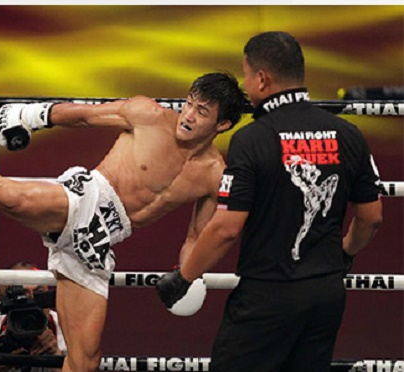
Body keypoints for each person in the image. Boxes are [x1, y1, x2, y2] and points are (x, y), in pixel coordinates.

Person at [0, 72, 247, 371]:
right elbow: (83, 114)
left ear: (223, 124)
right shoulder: (148, 115)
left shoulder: (213, 174)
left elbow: (195, 237)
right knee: (10, 196)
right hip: (88, 198)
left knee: (85, 361)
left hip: (101, 240)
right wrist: (26, 116)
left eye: (202, 111)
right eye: (189, 102)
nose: (189, 114)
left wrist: (186, 277)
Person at [156, 31, 383, 371]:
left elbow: (227, 229)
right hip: (326, 294)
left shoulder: (253, 139)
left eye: (246, 75)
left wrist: (183, 277)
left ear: (262, 78)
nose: (246, 86)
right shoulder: (348, 134)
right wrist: (345, 253)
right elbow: (371, 217)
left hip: (267, 295)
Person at [0, 261, 66, 372]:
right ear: (4, 300)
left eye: (39, 293)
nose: (32, 303)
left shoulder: (67, 328)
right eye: (23, 296)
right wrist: (2, 360)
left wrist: (55, 355)